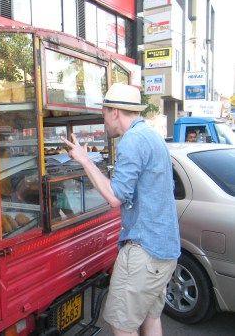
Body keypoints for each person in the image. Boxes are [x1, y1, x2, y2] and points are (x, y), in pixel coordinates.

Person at [61, 83, 180, 336]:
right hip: (165, 250)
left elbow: (115, 197)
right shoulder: (152, 136)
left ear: (115, 112)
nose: (104, 121)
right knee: (151, 317)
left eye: (104, 113)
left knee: (122, 324)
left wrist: (84, 159)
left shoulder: (132, 140)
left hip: (144, 251)